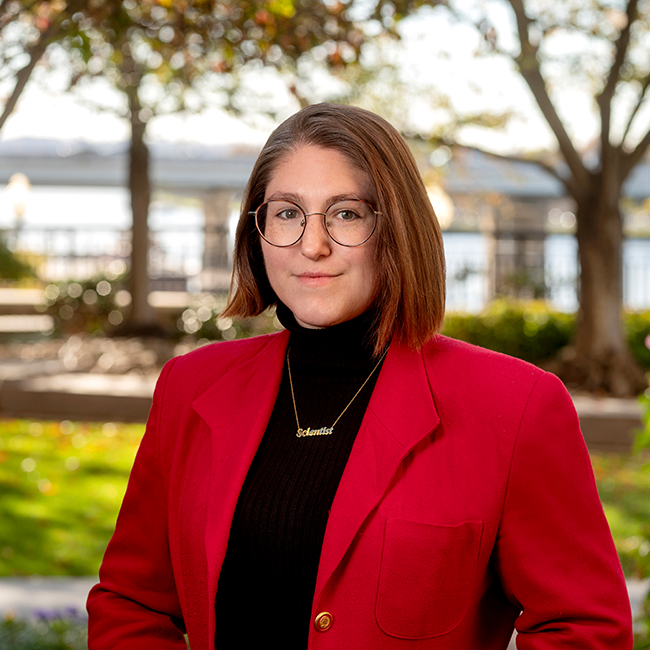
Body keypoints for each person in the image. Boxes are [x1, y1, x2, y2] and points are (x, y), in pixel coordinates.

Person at [87, 103, 632, 649]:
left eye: (346, 213)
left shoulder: (515, 406)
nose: (312, 244)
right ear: (257, 229)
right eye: (286, 213)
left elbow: (583, 629)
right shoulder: (191, 387)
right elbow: (132, 604)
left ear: (395, 229)